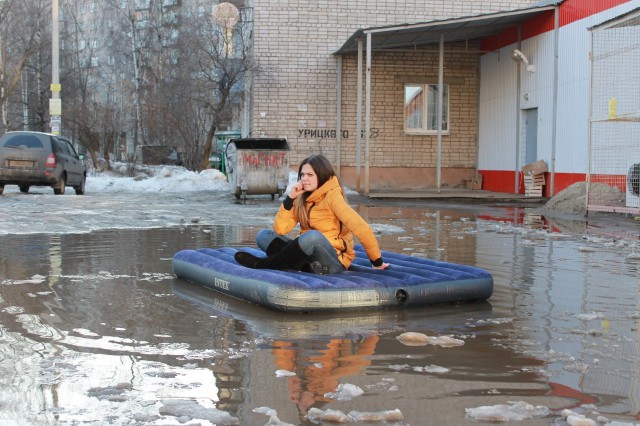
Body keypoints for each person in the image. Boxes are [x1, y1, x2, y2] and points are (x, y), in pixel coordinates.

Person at [234, 154, 389, 274]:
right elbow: (281, 229)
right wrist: (290, 199)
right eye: (302, 175)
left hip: (332, 261)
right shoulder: (303, 197)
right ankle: (300, 265)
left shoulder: (333, 197)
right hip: (307, 256)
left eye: (310, 175)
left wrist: (377, 261)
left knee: (312, 236)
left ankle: (264, 264)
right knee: (263, 235)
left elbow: (361, 228)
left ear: (321, 176)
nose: (304, 179)